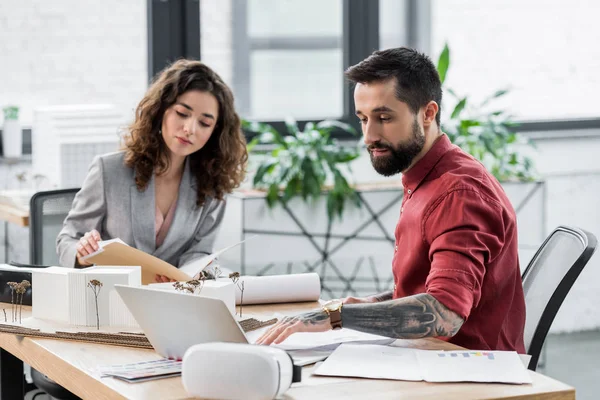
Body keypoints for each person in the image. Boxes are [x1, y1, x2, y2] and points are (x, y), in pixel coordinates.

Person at [257, 47, 526, 352]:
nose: (369, 135)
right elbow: (434, 286)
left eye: (384, 118)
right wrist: (375, 302)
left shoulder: (458, 195)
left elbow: (446, 314)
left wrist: (337, 317)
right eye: (363, 119)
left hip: (468, 371)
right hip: (428, 356)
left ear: (428, 113)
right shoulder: (427, 176)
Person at [57, 59, 248, 282]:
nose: (189, 129)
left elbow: (200, 253)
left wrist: (194, 274)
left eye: (204, 123)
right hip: (110, 298)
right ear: (161, 109)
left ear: (215, 132)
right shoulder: (109, 170)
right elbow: (67, 240)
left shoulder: (212, 185)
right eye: (182, 113)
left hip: (173, 301)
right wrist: (82, 253)